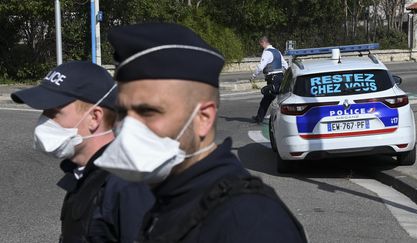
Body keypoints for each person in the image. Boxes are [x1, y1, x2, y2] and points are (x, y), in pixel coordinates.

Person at [94, 23, 307, 243]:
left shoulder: (250, 222)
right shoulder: (167, 194)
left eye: (148, 111)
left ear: (203, 118)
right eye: (121, 112)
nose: (127, 128)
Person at [11, 61, 154, 243]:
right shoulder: (84, 174)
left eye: (54, 112)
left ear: (94, 118)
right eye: (44, 112)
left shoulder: (129, 187)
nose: (43, 120)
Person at [251, 36, 288, 124]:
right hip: (280, 77)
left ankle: (260, 119)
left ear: (263, 42)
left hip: (272, 78)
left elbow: (261, 66)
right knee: (275, 99)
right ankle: (259, 118)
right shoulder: (277, 51)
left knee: (267, 98)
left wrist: (253, 75)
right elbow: (285, 64)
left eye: (261, 44)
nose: (261, 46)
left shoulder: (267, 52)